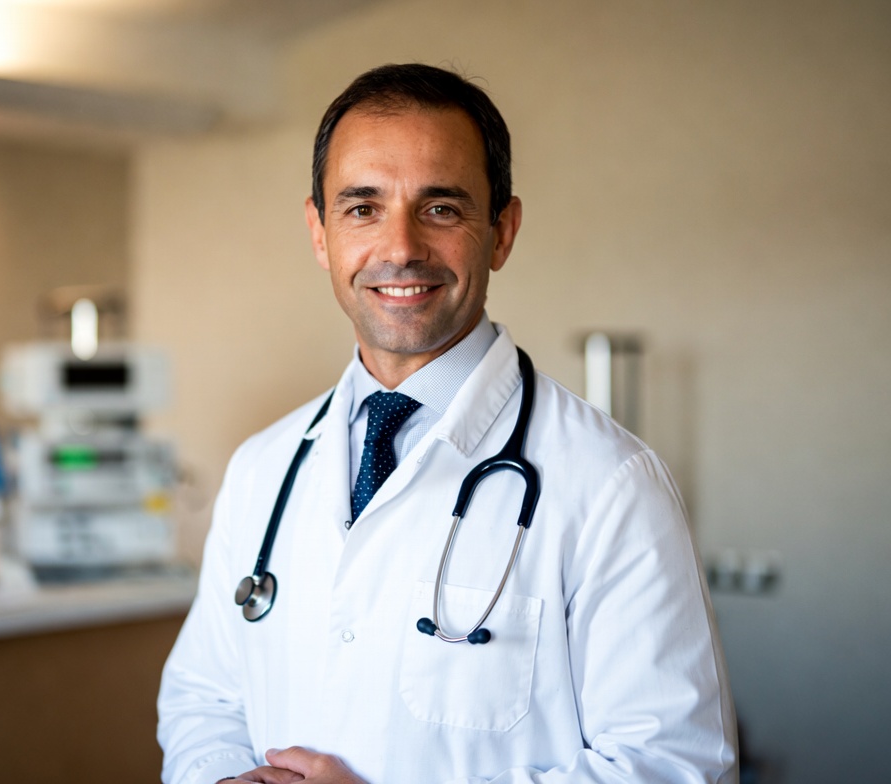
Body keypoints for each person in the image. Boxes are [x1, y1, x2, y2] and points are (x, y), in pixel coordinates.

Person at [158, 63, 737, 784]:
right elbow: (204, 697)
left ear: (502, 232)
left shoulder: (611, 483)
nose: (400, 247)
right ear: (319, 232)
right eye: (362, 208)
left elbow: (673, 765)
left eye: (439, 208)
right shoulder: (262, 467)